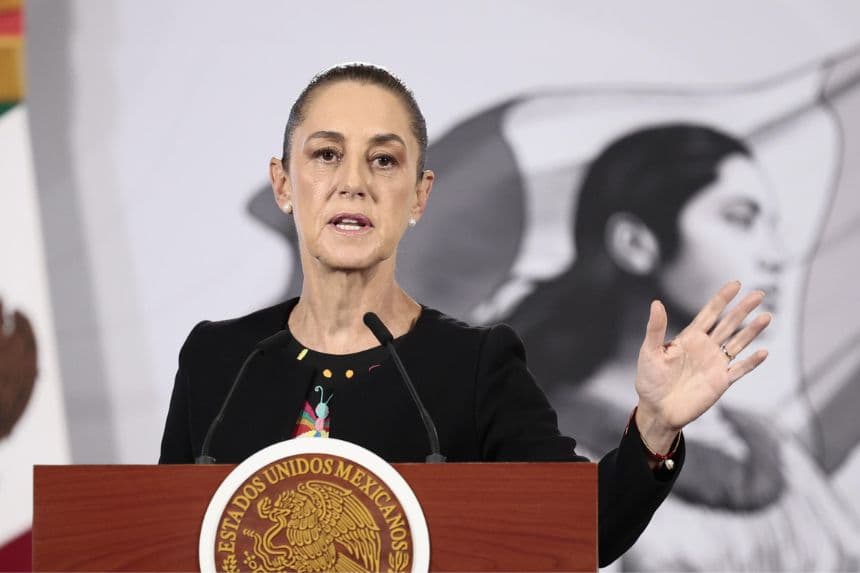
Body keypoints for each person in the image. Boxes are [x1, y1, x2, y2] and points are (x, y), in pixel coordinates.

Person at [159, 64, 771, 566]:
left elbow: (582, 530)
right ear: (283, 183)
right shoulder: (220, 358)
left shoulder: (477, 366)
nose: (352, 183)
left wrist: (655, 430)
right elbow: (160, 544)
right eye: (324, 155)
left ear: (419, 196)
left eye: (384, 161)